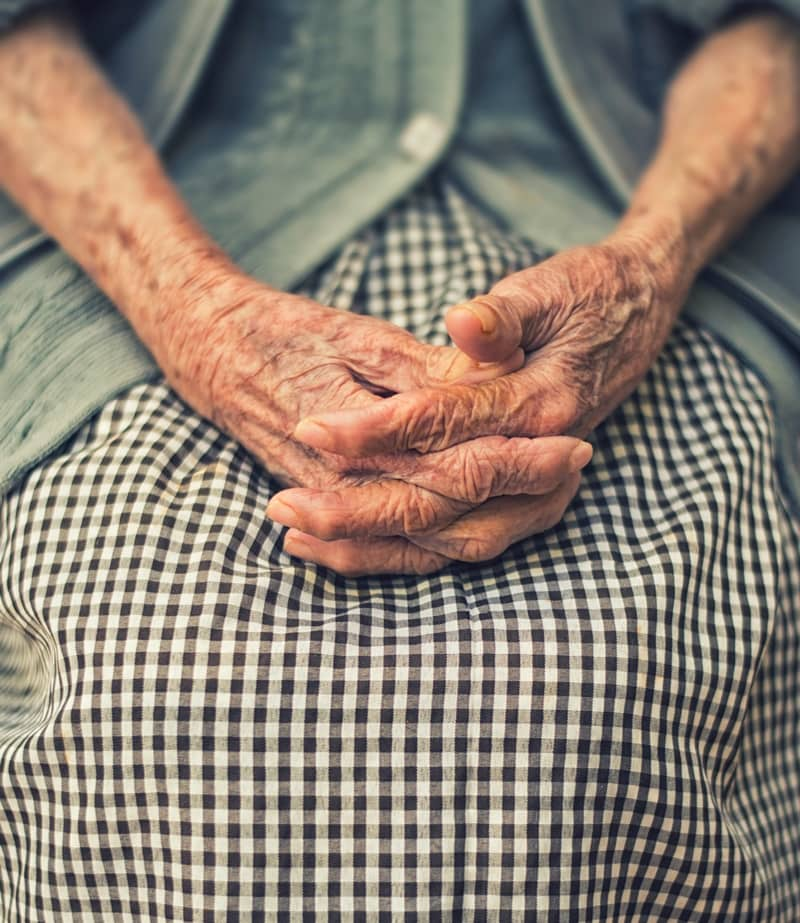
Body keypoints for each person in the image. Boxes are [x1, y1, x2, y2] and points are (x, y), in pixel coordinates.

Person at [0, 0, 798, 918]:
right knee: (154, 683)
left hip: (633, 218)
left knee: (606, 683)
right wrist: (193, 310)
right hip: (136, 233)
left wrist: (654, 264)